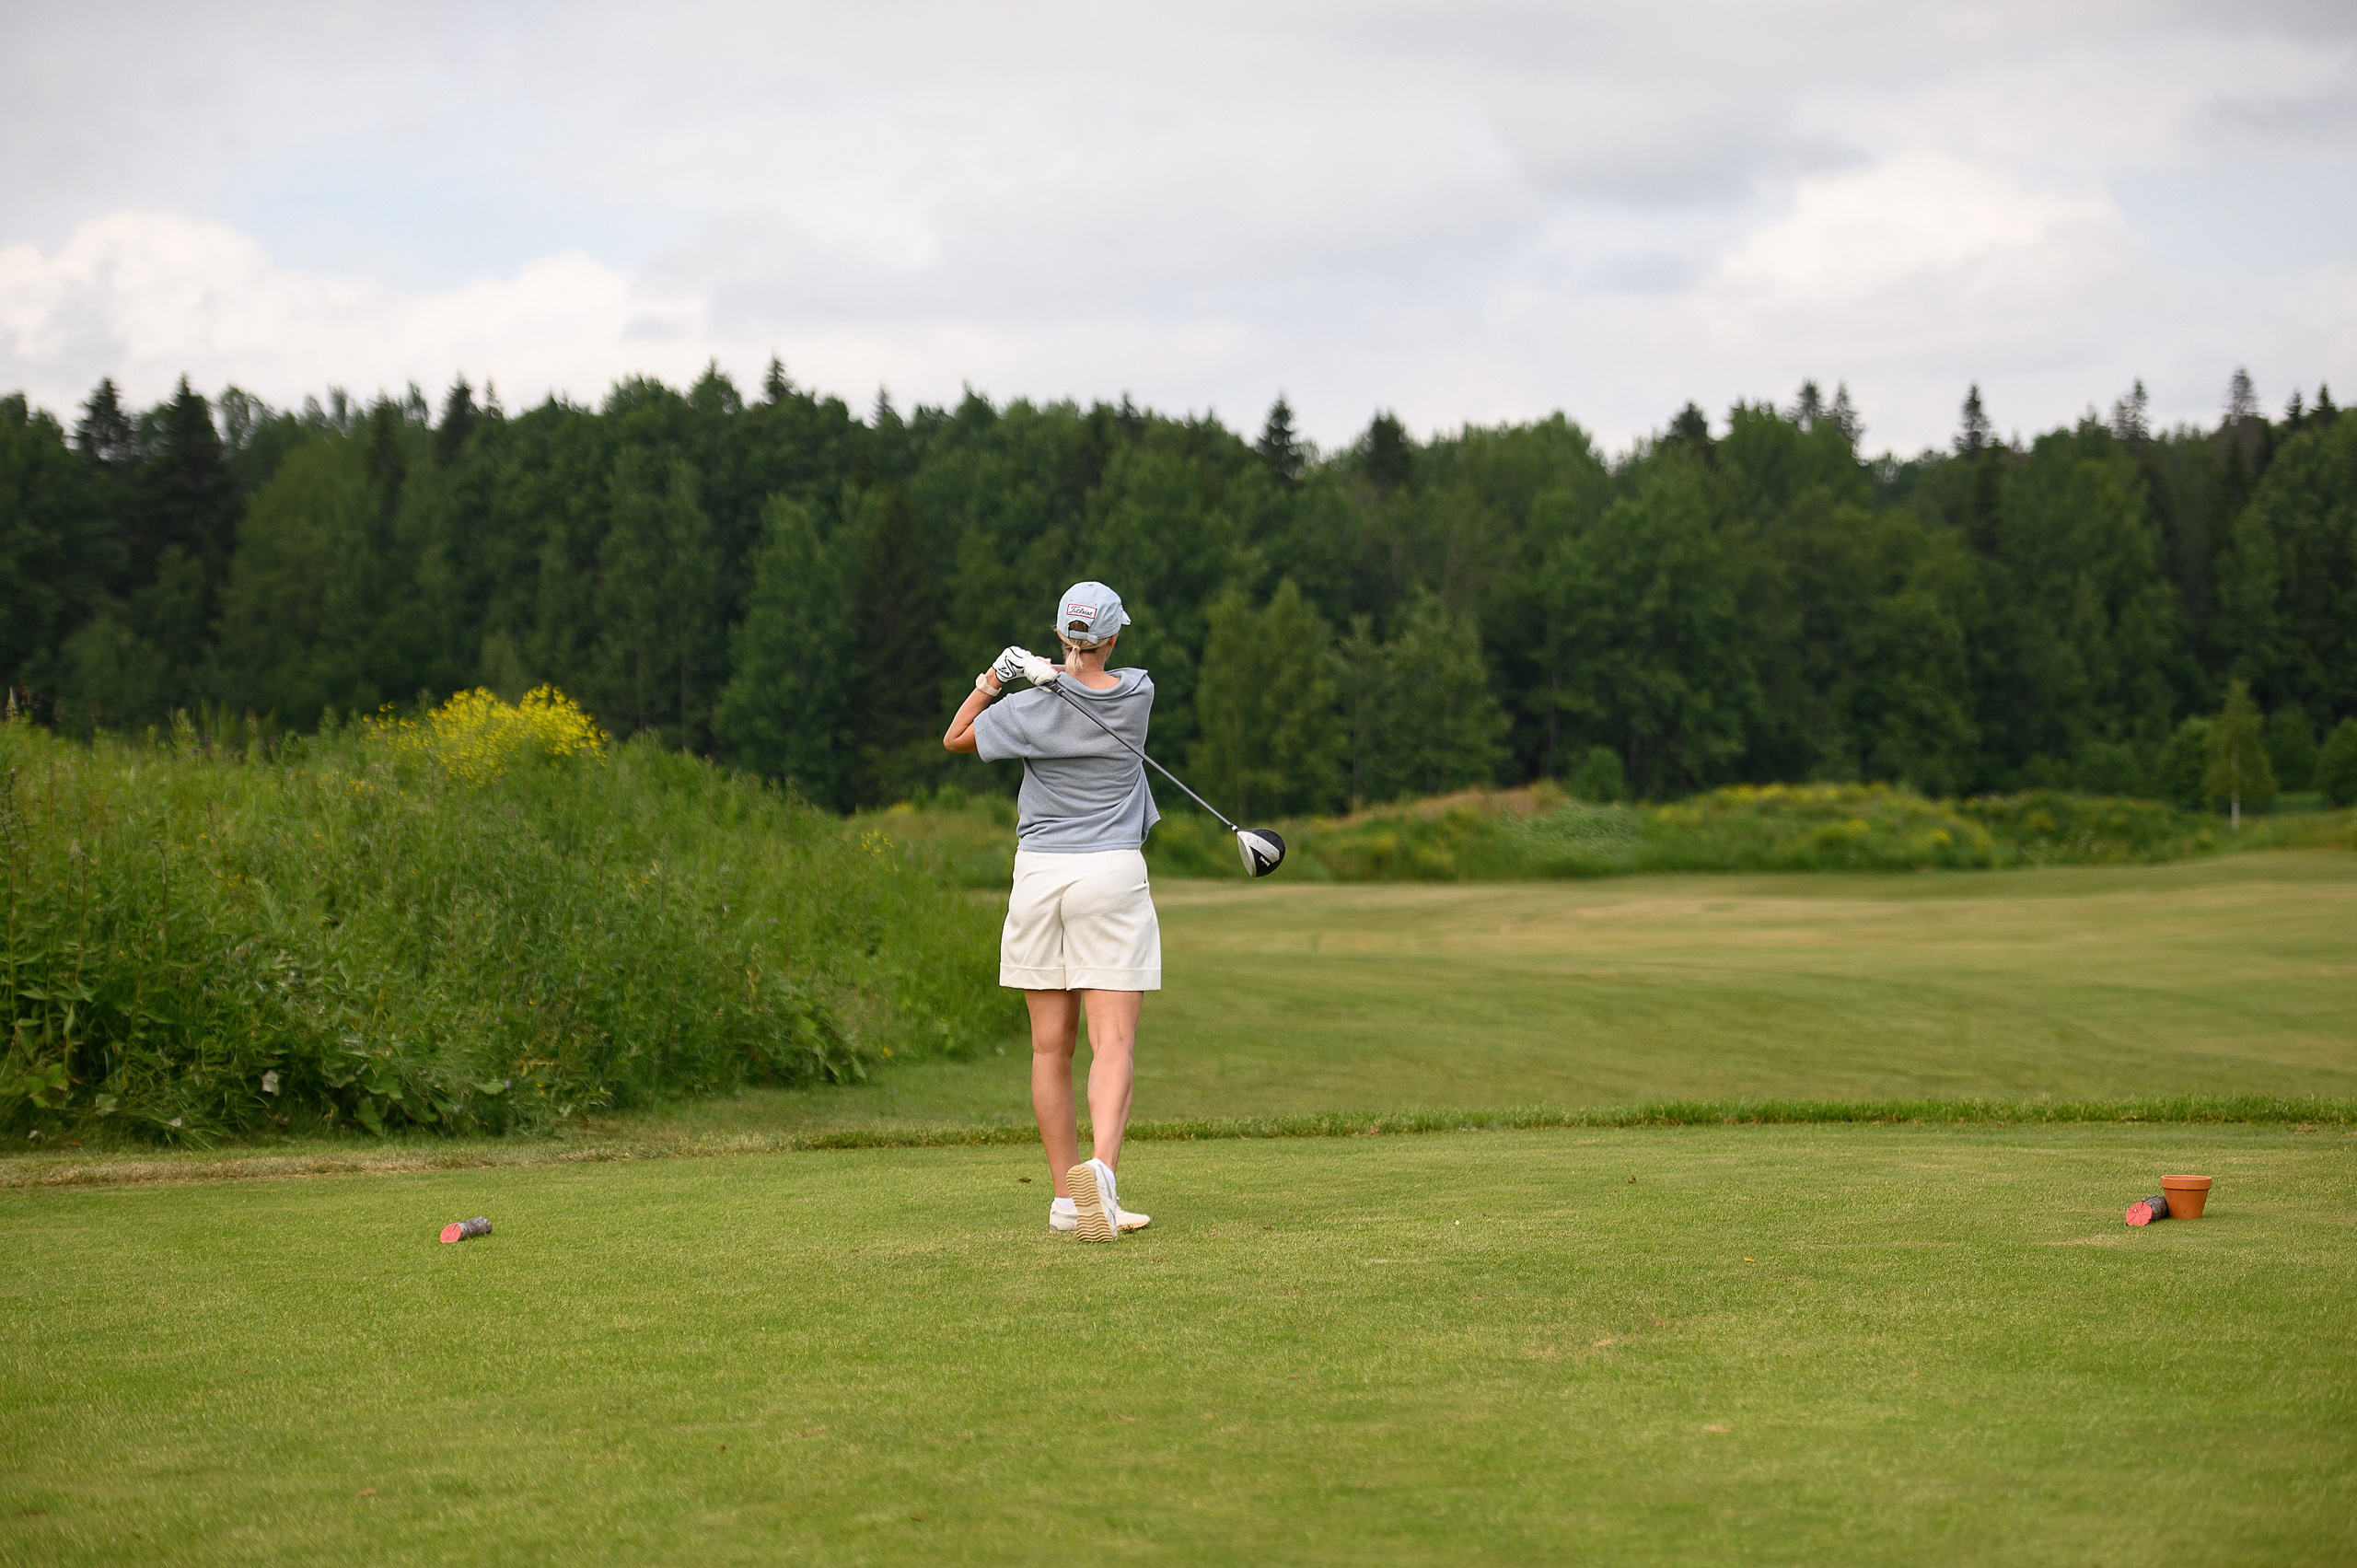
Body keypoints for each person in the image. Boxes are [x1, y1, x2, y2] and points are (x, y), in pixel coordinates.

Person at [943, 581, 1158, 1242]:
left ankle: (1068, 1196)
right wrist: (1055, 675)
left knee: (1048, 1047)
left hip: (1039, 876)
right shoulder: (1136, 693)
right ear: (1113, 638)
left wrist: (997, 677)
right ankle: (1102, 1174)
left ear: (1060, 635)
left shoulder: (1029, 707)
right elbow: (1096, 682)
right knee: (1112, 1040)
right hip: (1110, 873)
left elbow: (955, 737)